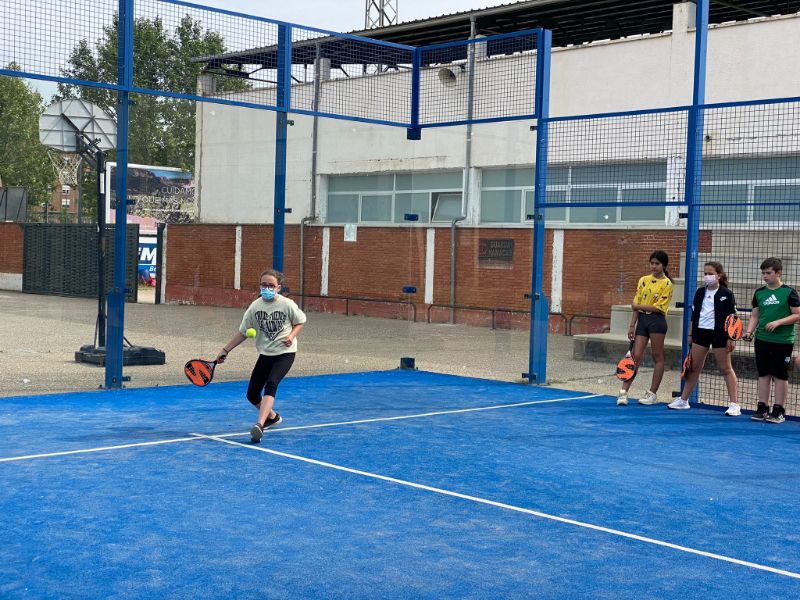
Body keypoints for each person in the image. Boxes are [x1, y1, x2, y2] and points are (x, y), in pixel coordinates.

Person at [217, 268, 307, 442]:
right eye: (264, 285)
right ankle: (273, 417)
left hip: (285, 354)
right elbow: (243, 332)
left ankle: (259, 424)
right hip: (266, 354)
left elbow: (300, 321)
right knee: (252, 395)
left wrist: (291, 336)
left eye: (271, 285)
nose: (267, 288)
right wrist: (225, 350)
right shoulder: (255, 307)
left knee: (271, 384)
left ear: (278, 287)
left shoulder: (287, 304)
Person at [667, 261, 739, 414]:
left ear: (719, 275)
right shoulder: (700, 292)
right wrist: (690, 334)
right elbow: (694, 316)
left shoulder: (727, 294)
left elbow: (733, 317)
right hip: (700, 333)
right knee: (693, 368)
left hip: (720, 334)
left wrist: (731, 338)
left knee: (726, 368)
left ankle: (734, 405)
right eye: (705, 273)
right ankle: (683, 400)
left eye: (710, 273)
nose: (707, 276)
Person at [742, 257, 800, 424]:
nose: (765, 276)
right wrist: (749, 331)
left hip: (782, 340)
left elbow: (797, 314)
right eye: (763, 273)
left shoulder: (789, 292)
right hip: (762, 339)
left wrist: (778, 322)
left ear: (778, 272)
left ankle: (778, 410)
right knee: (763, 373)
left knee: (780, 375)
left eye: (768, 273)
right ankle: (762, 408)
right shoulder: (759, 293)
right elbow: (755, 315)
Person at [617, 250, 674, 406]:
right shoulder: (643, 280)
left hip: (657, 321)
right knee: (635, 356)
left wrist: (637, 306)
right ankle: (623, 393)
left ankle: (652, 393)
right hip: (642, 321)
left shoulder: (667, 284)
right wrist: (632, 325)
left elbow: (658, 307)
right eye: (652, 263)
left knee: (657, 356)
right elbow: (636, 304)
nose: (654, 266)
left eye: (657, 264)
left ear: (664, 266)